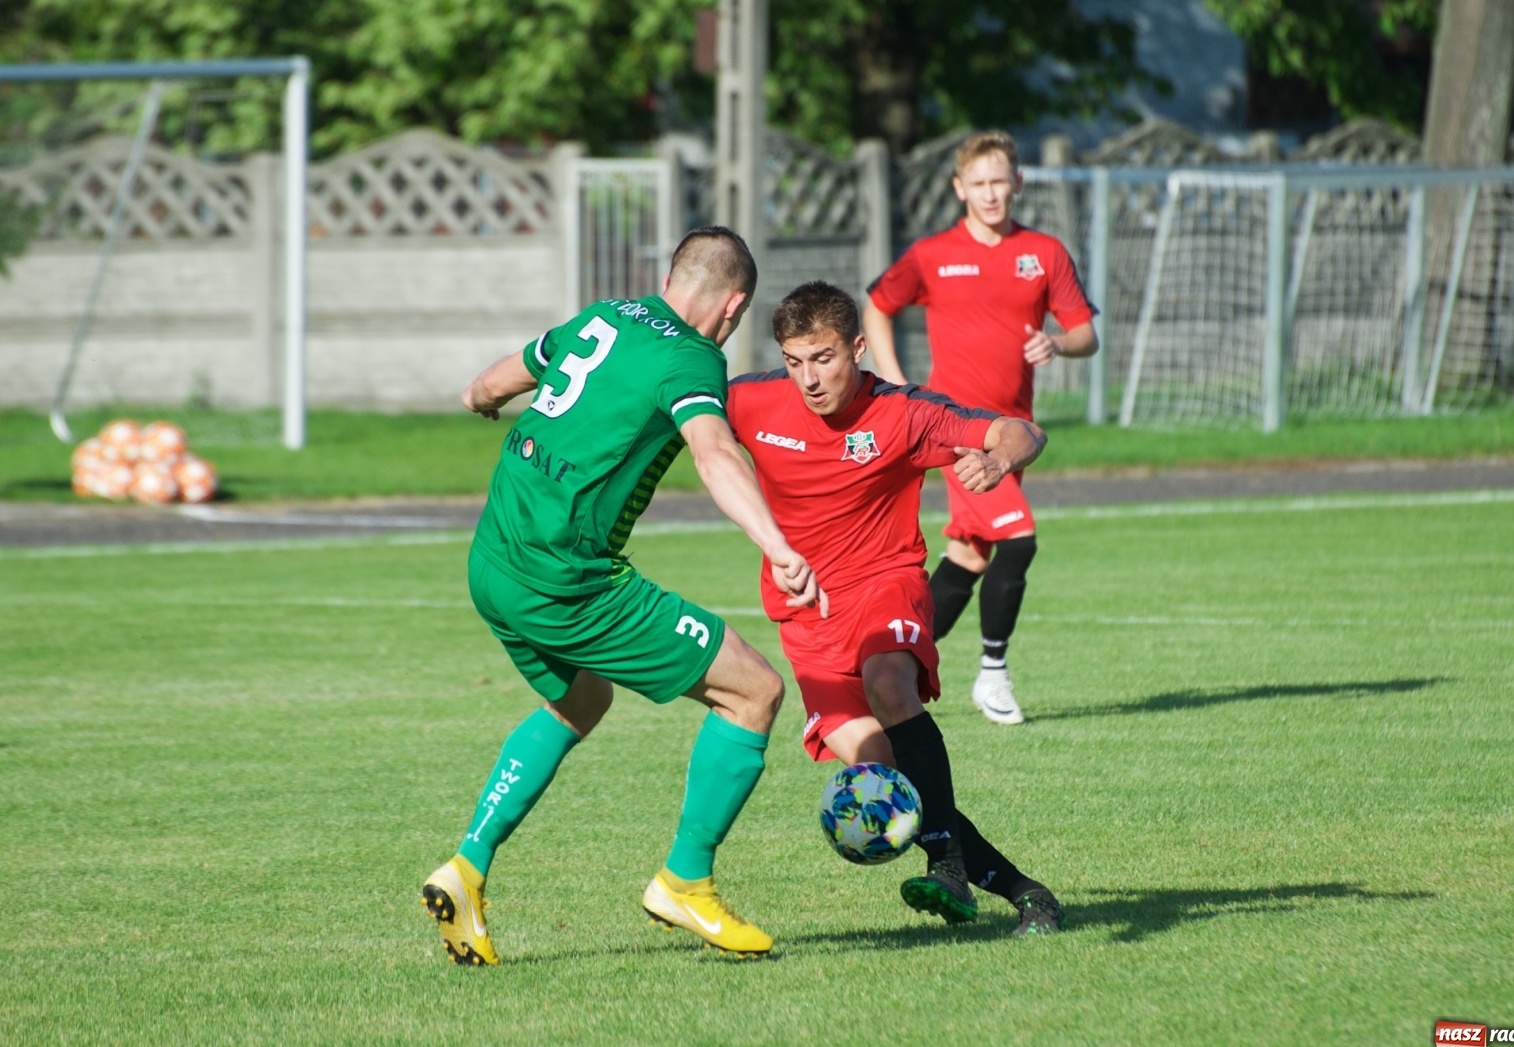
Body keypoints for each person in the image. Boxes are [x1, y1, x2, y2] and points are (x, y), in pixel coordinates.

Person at [421, 226, 825, 964]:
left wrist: (479, 394)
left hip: (493, 561)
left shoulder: (605, 315)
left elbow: (504, 376)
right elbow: (713, 449)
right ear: (733, 307)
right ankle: (686, 882)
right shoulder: (693, 357)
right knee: (755, 692)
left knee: (582, 700)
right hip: (565, 580)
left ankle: (467, 868)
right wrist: (777, 544)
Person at [726, 280, 1065, 935]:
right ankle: (1027, 894)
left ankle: (944, 867)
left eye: (823, 358)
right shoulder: (752, 400)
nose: (809, 379)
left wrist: (997, 462)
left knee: (888, 680)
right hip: (806, 618)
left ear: (857, 348)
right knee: (886, 781)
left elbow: (1021, 430)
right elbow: (663, 409)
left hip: (886, 583)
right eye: (795, 362)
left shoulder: (902, 413)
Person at [862, 130, 1099, 726]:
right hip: (958, 428)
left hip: (1012, 431)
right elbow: (877, 306)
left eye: (1001, 182)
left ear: (1017, 184)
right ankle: (992, 674)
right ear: (959, 188)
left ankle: (894, 666)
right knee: (1019, 538)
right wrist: (895, 385)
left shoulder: (1043, 254)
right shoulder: (932, 254)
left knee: (968, 557)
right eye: (980, 183)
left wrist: (1058, 342)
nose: (991, 194)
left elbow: (1086, 335)